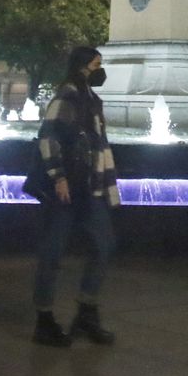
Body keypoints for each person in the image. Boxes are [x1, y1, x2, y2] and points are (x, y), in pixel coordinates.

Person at [30, 46, 119, 347]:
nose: (100, 70)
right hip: (69, 187)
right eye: (97, 64)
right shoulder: (68, 94)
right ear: (83, 67)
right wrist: (59, 177)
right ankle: (44, 320)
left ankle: (86, 311)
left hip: (91, 186)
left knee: (104, 245)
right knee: (52, 254)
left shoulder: (90, 98)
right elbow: (48, 135)